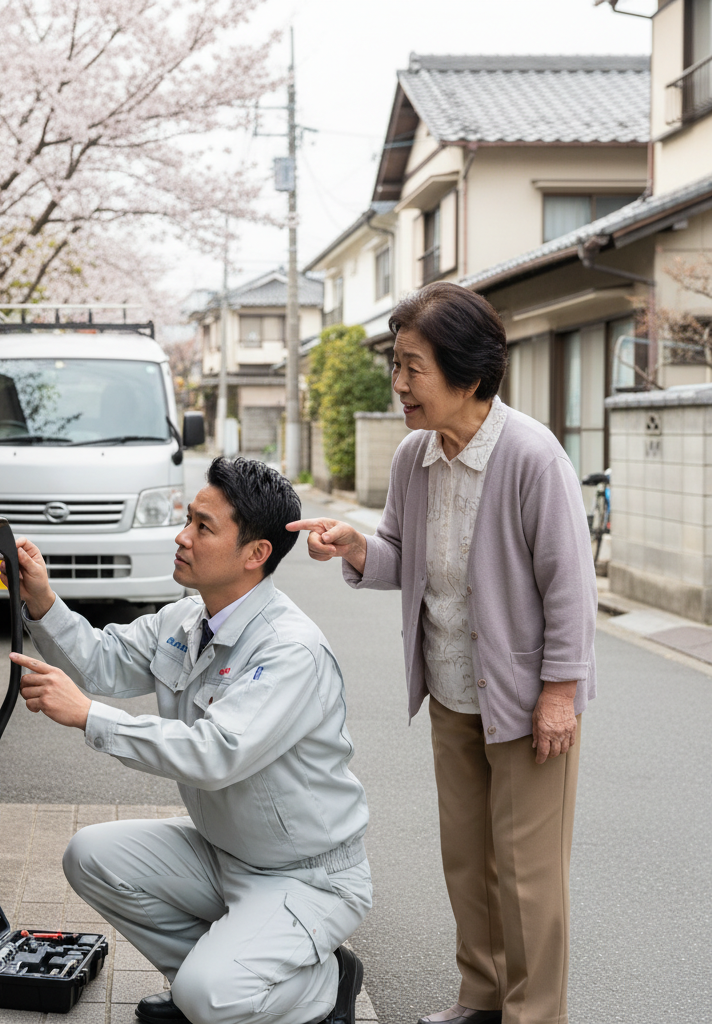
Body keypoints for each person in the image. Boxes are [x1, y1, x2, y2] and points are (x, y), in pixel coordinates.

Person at [288, 282, 596, 1024]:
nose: (398, 386)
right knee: (467, 861)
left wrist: (560, 692)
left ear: (466, 372)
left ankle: (534, 1013)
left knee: (528, 875)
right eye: (397, 366)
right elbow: (404, 556)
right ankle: (482, 997)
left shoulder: (531, 458)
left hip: (524, 704)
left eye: (411, 368)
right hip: (453, 693)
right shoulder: (415, 458)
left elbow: (570, 587)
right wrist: (360, 545)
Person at [3, 456, 373, 1024]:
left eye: (203, 527)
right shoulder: (186, 618)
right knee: (91, 857)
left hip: (306, 875)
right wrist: (42, 602)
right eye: (188, 520)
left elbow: (216, 752)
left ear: (256, 555)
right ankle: (211, 983)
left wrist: (89, 718)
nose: (182, 537)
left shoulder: (289, 651)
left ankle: (326, 981)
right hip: (224, 852)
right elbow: (105, 662)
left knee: (209, 998)